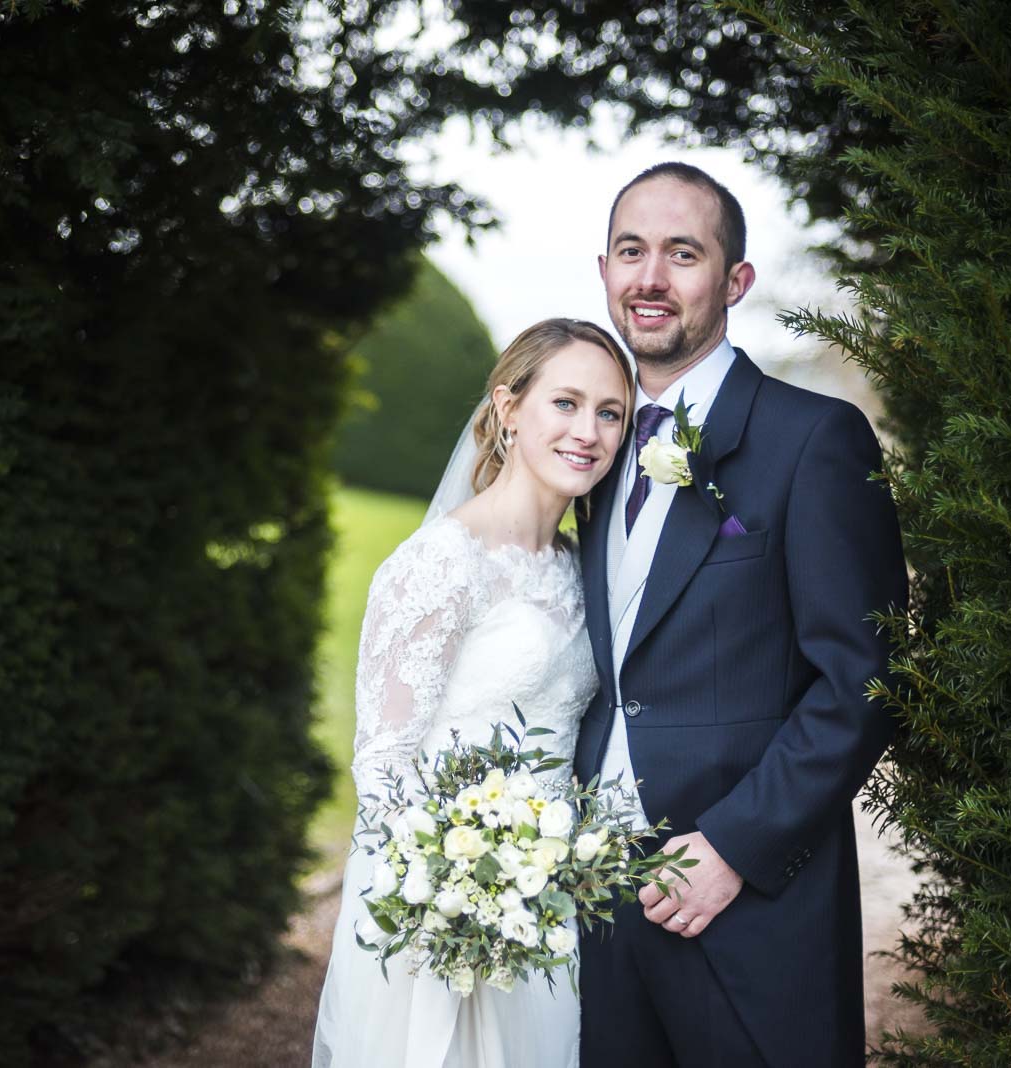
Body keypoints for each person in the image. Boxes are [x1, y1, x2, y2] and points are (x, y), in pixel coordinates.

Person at [572, 162, 907, 1067]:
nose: (651, 278)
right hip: (592, 909)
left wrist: (732, 847)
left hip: (749, 904)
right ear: (603, 269)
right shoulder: (591, 453)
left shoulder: (815, 438)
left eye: (684, 253)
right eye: (631, 252)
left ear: (735, 282)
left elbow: (864, 681)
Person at [313, 318, 635, 1068]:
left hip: (550, 901)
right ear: (507, 407)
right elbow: (384, 768)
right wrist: (458, 890)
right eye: (565, 403)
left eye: (609, 412)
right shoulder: (440, 562)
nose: (588, 430)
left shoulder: (580, 569)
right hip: (446, 907)